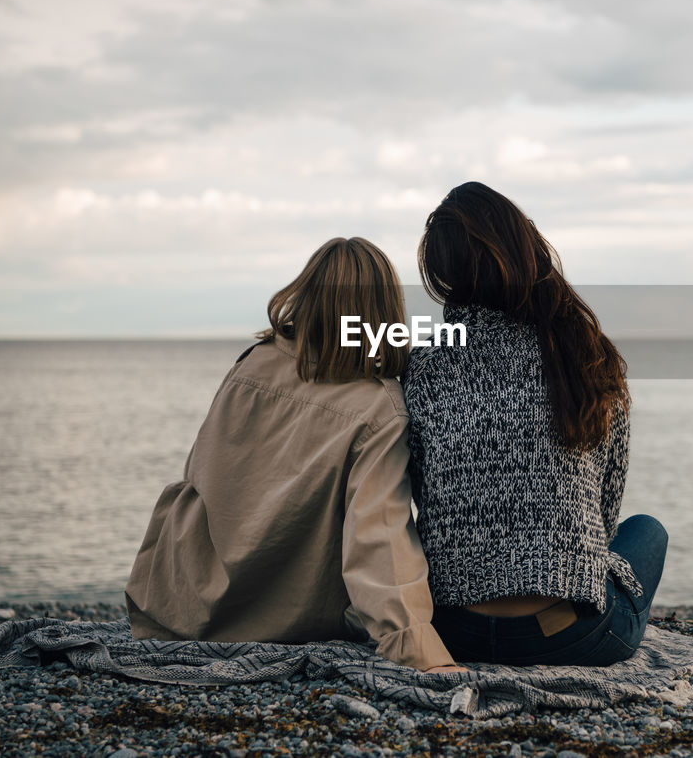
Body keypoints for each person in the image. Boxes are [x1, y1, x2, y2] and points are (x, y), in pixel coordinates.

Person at [124, 237, 463, 673]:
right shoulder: (379, 408)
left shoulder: (250, 364)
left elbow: (203, 476)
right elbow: (378, 538)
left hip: (177, 603)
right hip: (274, 619)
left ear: (308, 296)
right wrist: (420, 652)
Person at [404, 182, 668, 666]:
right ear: (526, 250)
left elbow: (425, 496)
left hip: (452, 631)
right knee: (647, 531)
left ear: (443, 275)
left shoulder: (424, 366)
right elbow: (604, 516)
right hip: (568, 638)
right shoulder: (586, 357)